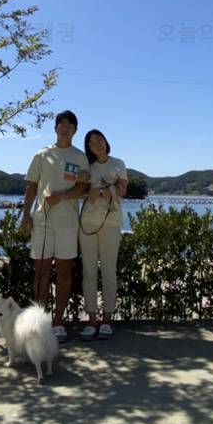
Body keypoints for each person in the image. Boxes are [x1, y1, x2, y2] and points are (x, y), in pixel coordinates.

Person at [21, 110, 90, 342]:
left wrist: (62, 196)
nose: (65, 127)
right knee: (40, 271)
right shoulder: (42, 154)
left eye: (70, 124)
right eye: (62, 123)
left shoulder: (80, 157)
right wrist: (26, 215)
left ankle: (59, 322)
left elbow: (84, 188)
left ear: (75, 130)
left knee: (64, 271)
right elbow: (31, 185)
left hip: (68, 223)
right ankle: (39, 322)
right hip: (42, 221)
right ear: (55, 128)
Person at [78, 129, 128, 340]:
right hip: (88, 223)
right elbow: (80, 190)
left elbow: (123, 190)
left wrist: (100, 191)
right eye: (91, 142)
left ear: (106, 141)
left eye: (99, 139)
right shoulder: (86, 166)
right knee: (89, 271)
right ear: (88, 148)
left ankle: (107, 320)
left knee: (109, 271)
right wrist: (101, 190)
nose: (96, 144)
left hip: (111, 222)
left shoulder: (118, 163)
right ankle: (91, 320)